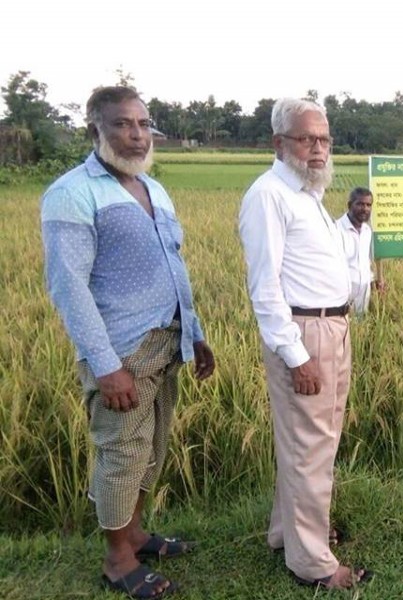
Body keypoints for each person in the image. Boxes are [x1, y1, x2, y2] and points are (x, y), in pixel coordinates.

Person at [41, 86, 215, 599]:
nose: (136, 134)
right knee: (121, 452)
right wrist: (106, 365)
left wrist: (196, 333)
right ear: (95, 129)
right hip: (122, 349)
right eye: (122, 124)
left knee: (151, 449)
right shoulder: (72, 193)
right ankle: (118, 559)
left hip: (168, 341)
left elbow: (174, 265)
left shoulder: (152, 189)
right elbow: (68, 286)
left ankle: (136, 533)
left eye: (142, 124)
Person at [238, 98, 369, 589]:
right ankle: (312, 562)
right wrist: (297, 355)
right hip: (305, 334)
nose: (317, 149)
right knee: (310, 446)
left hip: (332, 327)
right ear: (279, 143)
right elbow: (265, 287)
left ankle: (288, 534)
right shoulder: (269, 195)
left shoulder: (307, 193)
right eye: (306, 139)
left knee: (313, 441)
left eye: (324, 139)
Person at [337, 187, 383, 314]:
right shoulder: (336, 230)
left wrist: (373, 282)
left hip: (363, 300)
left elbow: (365, 263)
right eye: (360, 204)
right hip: (342, 300)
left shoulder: (367, 231)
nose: (365, 209)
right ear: (350, 205)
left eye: (368, 205)